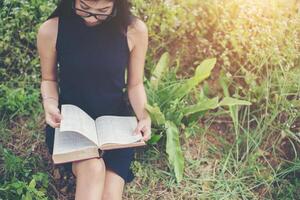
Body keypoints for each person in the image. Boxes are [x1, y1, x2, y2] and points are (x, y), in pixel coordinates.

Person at [36, 0, 151, 199]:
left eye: (103, 11)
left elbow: (135, 84)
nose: (91, 17)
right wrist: (50, 104)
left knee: (110, 195)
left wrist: (144, 116)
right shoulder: (51, 29)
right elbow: (48, 79)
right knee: (93, 168)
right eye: (84, 8)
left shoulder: (134, 30)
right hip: (70, 123)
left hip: (116, 126)